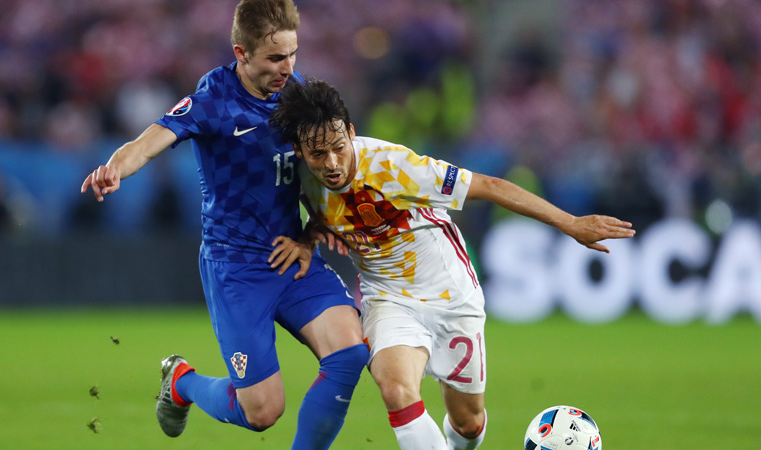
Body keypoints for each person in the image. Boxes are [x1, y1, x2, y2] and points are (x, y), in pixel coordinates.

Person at [269, 79, 636, 450]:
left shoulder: (393, 166)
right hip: (387, 297)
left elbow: (490, 186)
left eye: (338, 147)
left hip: (449, 292)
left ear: (350, 132)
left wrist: (570, 223)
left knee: (468, 422)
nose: (332, 163)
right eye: (318, 154)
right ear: (299, 151)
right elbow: (326, 214)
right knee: (396, 390)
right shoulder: (299, 178)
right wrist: (307, 238)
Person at [79, 2, 368, 449]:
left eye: (293, 54)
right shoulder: (213, 100)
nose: (287, 67)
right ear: (241, 53)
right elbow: (150, 140)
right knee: (263, 412)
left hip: (291, 254)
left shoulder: (298, 96)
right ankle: (181, 381)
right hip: (237, 268)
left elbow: (330, 166)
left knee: (349, 353)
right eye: (275, 58)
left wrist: (312, 231)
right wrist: (115, 167)